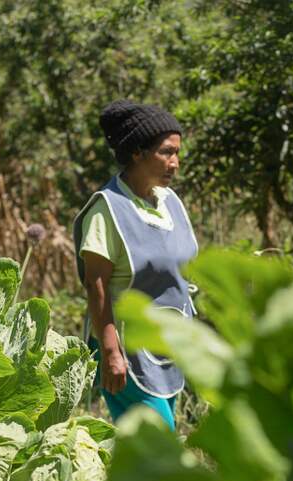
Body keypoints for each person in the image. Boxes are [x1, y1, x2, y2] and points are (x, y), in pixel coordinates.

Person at [72, 100, 198, 430]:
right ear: (137, 153)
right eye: (166, 153)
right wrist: (111, 352)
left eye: (177, 153)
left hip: (167, 350)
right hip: (128, 354)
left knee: (148, 452)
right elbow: (95, 285)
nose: (176, 163)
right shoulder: (108, 209)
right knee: (162, 444)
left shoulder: (170, 204)